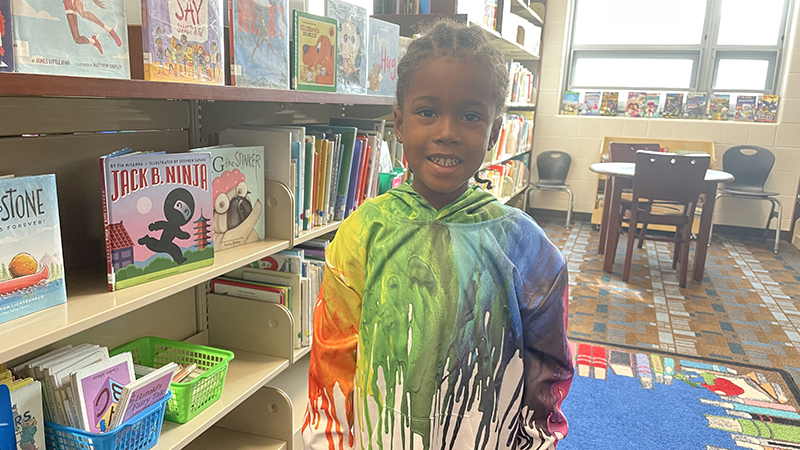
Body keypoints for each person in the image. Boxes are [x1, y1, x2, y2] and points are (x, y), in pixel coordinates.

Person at [302, 18, 573, 450]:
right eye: (427, 112)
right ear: (399, 123)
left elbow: (548, 370)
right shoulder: (363, 233)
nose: (447, 133)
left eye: (470, 116)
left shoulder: (525, 246)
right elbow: (332, 360)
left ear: (494, 133)